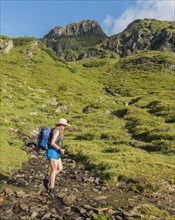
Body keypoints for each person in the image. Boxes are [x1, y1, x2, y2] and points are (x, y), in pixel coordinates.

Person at [45, 118, 70, 197]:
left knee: (60, 168)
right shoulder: (57, 131)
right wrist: (60, 149)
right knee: (54, 169)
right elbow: (52, 142)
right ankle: (51, 188)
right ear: (61, 125)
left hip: (56, 151)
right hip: (52, 151)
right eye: (64, 125)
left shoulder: (58, 130)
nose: (65, 127)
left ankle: (50, 178)